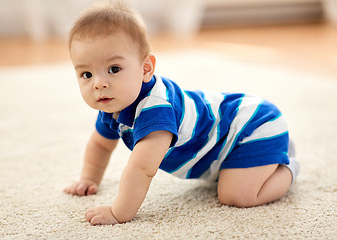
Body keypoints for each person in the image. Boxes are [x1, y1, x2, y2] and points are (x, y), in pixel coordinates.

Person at [64, 1, 300, 225]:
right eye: (86, 74)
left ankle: (286, 167)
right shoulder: (113, 102)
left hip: (251, 127)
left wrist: (118, 212)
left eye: (113, 69)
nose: (98, 84)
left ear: (145, 69)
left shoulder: (157, 112)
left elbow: (142, 169)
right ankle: (270, 156)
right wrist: (89, 179)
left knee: (236, 196)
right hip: (227, 139)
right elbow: (101, 145)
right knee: (228, 182)